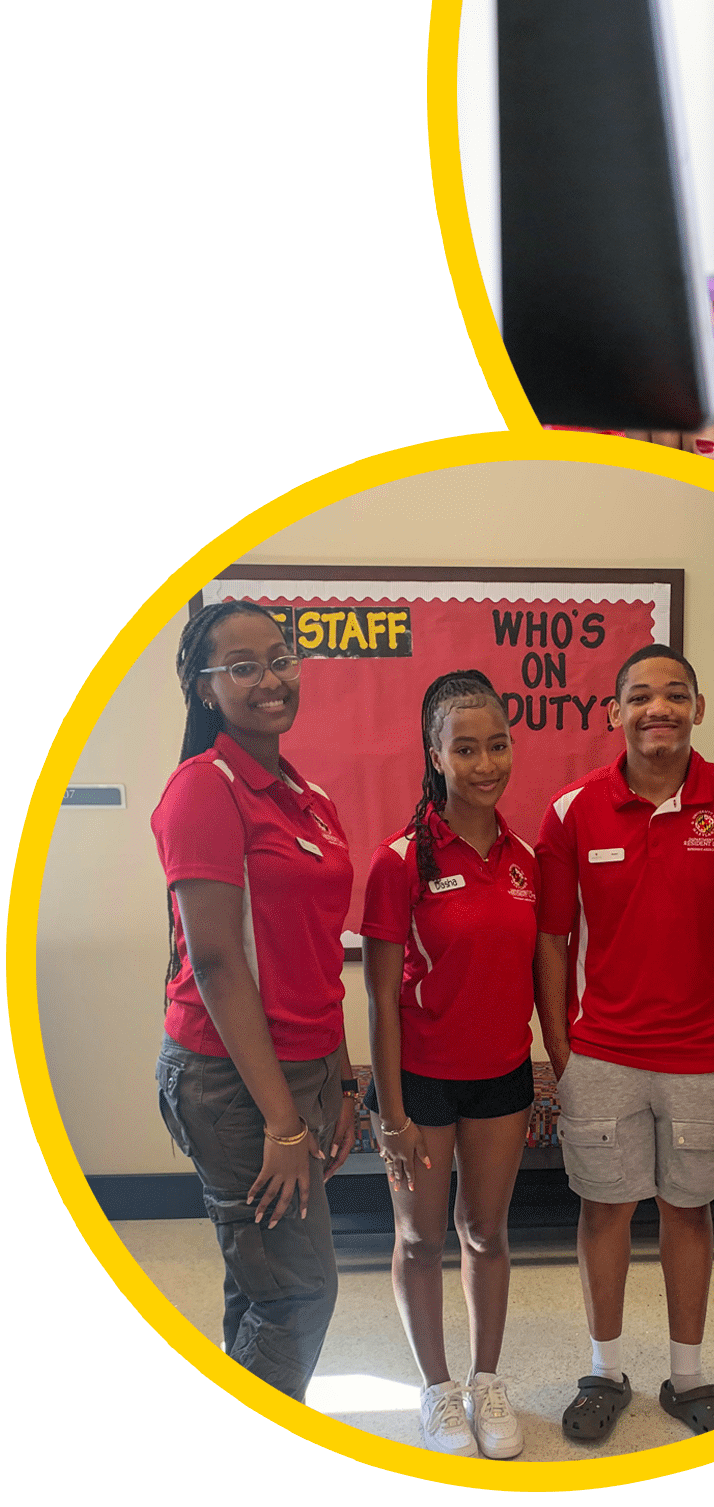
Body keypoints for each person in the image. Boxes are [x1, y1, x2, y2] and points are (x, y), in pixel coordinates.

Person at [534, 644, 714, 1444]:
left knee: (689, 1210)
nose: (658, 709)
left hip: (706, 1058)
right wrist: (561, 1046)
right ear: (615, 713)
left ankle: (688, 1376)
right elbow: (553, 939)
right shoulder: (572, 811)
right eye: (640, 696)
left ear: (699, 709)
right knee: (603, 1209)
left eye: (675, 695)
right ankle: (604, 1372)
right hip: (600, 1054)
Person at [150, 599, 358, 1401]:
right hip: (235, 1081)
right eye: (242, 666)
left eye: (280, 658)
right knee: (300, 1292)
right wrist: (282, 1121)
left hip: (298, 1071)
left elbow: (315, 952)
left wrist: (340, 1084)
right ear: (203, 689)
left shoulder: (303, 794)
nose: (271, 679)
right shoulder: (205, 789)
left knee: (264, 1279)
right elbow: (217, 963)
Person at [361, 670, 538, 1458]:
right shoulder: (400, 861)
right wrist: (389, 1118)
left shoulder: (527, 858)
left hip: (503, 1075)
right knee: (420, 1239)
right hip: (423, 1082)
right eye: (465, 748)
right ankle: (437, 1390)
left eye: (497, 744)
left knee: (487, 1232)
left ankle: (485, 1380)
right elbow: (379, 1001)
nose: (485, 762)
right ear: (435, 755)